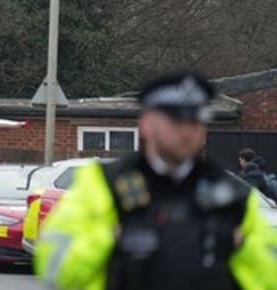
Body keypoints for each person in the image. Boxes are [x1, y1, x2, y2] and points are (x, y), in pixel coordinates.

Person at [35, 71, 277, 290]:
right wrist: (109, 240)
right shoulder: (103, 184)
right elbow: (56, 270)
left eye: (195, 121)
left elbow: (270, 276)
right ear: (146, 125)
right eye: (176, 120)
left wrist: (238, 247)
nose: (186, 130)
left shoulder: (230, 193)